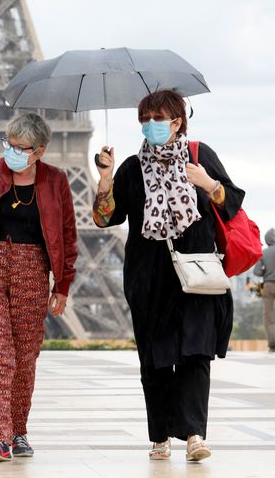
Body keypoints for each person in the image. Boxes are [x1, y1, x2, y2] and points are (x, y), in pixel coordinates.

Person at [92, 90, 244, 462]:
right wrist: (105, 180)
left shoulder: (199, 155)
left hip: (196, 273)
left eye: (157, 118)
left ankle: (194, 434)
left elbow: (233, 202)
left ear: (177, 121)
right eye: (144, 119)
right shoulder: (131, 167)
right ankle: (160, 435)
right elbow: (105, 218)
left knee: (196, 352)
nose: (149, 125)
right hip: (149, 277)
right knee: (155, 357)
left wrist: (207, 184)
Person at [0, 111, 77, 462]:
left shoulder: (55, 180)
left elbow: (67, 235)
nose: (12, 151)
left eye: (21, 147)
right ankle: (1, 437)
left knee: (25, 357)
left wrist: (63, 285)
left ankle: (19, 430)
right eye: (9, 143)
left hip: (33, 270)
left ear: (39, 151)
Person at [254, 228, 275, 352]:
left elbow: (256, 271)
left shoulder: (264, 253)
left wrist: (265, 272)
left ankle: (273, 344)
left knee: (268, 316)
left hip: (268, 285)